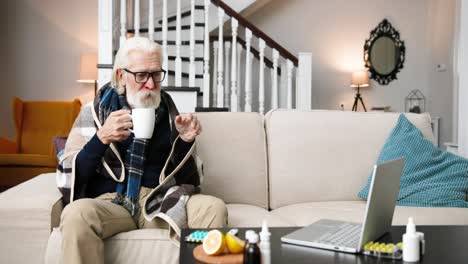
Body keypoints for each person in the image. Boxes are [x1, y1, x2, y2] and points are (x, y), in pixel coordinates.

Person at [56, 36, 227, 264]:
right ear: (121, 75)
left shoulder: (170, 114)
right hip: (111, 203)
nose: (150, 84)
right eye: (141, 75)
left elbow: (191, 182)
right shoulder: (95, 112)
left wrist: (185, 142)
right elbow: (69, 177)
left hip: (159, 200)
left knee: (212, 207)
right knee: (76, 214)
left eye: (156, 74)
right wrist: (101, 138)